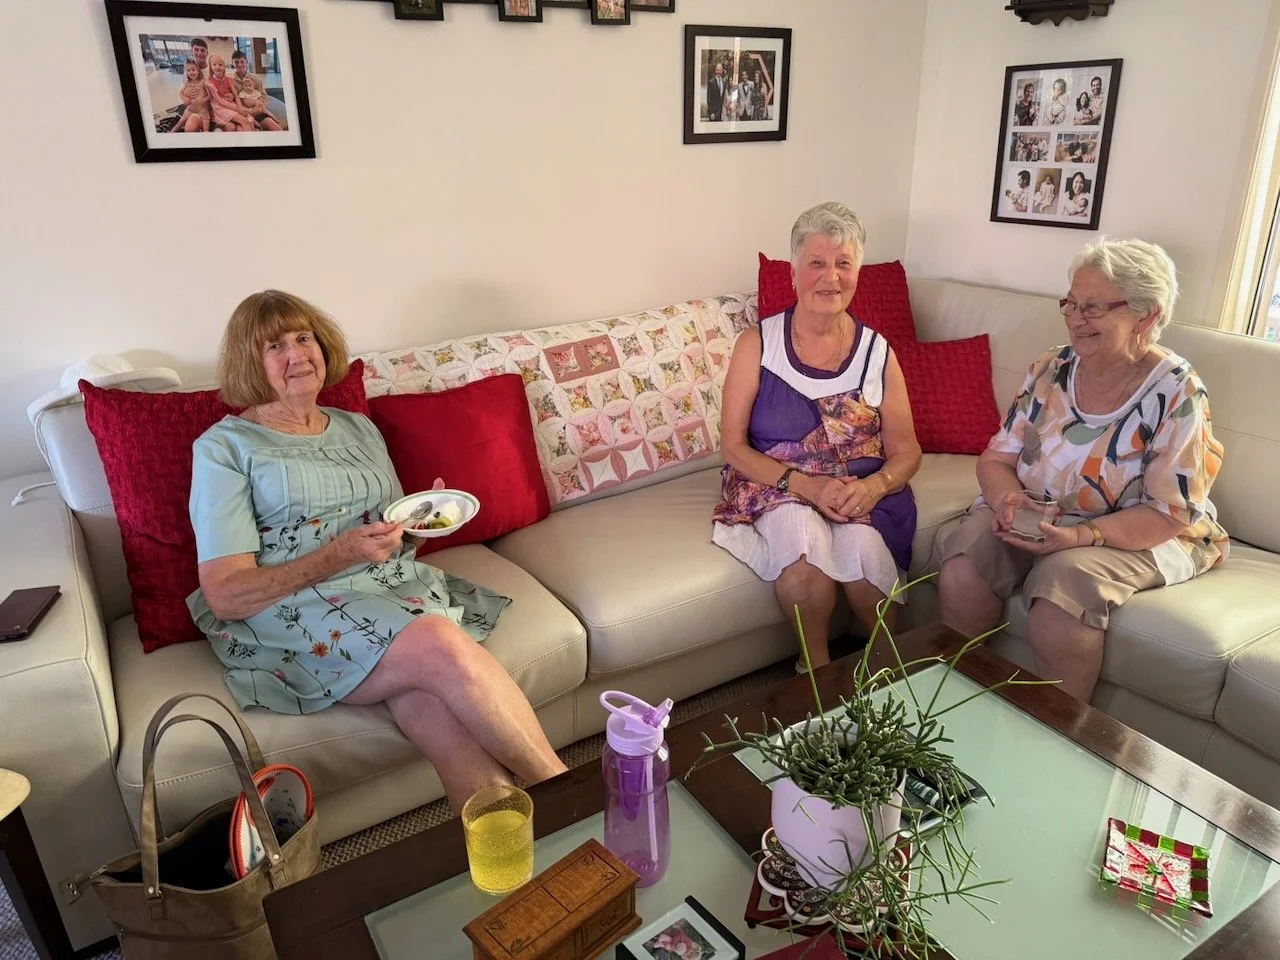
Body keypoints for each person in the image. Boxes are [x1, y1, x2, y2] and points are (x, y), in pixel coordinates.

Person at [187, 290, 567, 810]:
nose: (298, 354)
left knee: (429, 702)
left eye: (304, 338)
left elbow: (390, 532)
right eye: (275, 346)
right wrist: (339, 555)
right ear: (249, 363)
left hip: (383, 586)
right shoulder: (223, 448)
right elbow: (226, 595)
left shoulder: (357, 428)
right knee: (439, 642)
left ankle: (509, 846)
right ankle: (567, 791)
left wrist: (420, 521)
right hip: (290, 609)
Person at [938, 239, 1228, 702]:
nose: (1075, 318)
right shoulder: (1051, 367)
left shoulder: (1177, 392)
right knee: (963, 563)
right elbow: (997, 459)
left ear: (1146, 316)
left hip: (1142, 531)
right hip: (1044, 516)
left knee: (1062, 591)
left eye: (1092, 307)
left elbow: (1169, 513)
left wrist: (1079, 536)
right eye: (1070, 303)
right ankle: (953, 702)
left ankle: (1058, 731)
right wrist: (1006, 497)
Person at [712, 202, 922, 669]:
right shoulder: (757, 344)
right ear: (793, 274)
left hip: (858, 489)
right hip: (778, 483)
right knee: (804, 562)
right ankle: (816, 674)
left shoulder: (877, 351)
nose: (831, 277)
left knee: (866, 562)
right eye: (817, 263)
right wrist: (805, 486)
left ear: (858, 272)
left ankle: (893, 674)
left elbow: (907, 450)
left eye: (844, 263)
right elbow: (733, 446)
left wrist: (875, 487)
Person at [232, 50, 283, 131]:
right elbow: (232, 101)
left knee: (273, 126)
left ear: (246, 62)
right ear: (232, 63)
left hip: (258, 110)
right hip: (242, 113)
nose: (239, 64)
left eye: (242, 61)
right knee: (244, 129)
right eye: (236, 62)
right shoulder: (230, 81)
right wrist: (249, 111)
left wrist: (259, 108)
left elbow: (264, 96)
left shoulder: (256, 78)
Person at [205, 54, 256, 131]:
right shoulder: (209, 83)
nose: (217, 67)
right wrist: (238, 110)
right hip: (220, 108)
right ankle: (251, 139)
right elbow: (220, 102)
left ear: (224, 66)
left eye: (220, 65)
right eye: (214, 65)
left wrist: (239, 107)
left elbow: (236, 96)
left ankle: (250, 136)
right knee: (244, 121)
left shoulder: (229, 80)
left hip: (231, 104)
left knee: (249, 121)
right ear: (211, 67)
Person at [172, 59, 210, 133]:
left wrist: (204, 100)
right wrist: (184, 98)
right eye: (188, 71)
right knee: (180, 122)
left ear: (198, 70)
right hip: (191, 108)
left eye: (193, 70)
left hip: (203, 109)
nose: (191, 72)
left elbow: (210, 95)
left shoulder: (204, 81)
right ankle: (170, 134)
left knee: (206, 128)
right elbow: (181, 92)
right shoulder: (188, 82)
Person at [748, 53, 774, 120]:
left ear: (760, 77)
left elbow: (765, 100)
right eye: (755, 76)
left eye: (757, 76)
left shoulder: (763, 86)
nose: (756, 78)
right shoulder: (754, 86)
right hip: (756, 110)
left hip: (762, 109)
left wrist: (765, 111)